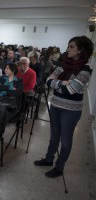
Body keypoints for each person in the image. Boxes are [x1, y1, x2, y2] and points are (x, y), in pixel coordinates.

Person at [34, 36, 94, 178]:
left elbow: (72, 90)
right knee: (54, 135)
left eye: (71, 46)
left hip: (71, 110)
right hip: (55, 104)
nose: (68, 49)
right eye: (68, 46)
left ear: (81, 49)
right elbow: (48, 80)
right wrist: (64, 83)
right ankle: (49, 159)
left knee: (65, 139)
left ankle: (59, 167)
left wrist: (59, 84)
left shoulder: (86, 68)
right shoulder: (63, 65)